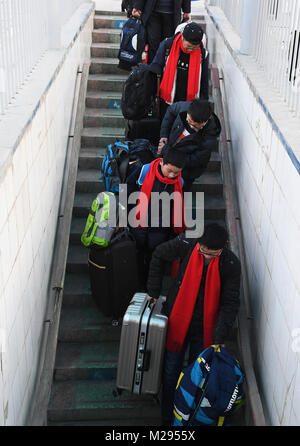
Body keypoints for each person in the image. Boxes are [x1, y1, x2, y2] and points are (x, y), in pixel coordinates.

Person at [146, 223, 241, 425]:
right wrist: (153, 291)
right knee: (171, 374)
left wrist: (219, 337)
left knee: (196, 380)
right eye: (203, 251)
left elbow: (230, 303)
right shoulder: (188, 243)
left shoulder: (230, 264)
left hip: (206, 329)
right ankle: (167, 420)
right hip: (178, 322)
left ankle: (187, 421)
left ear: (222, 249)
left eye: (212, 255)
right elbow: (159, 254)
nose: (206, 257)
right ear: (199, 243)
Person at [126, 148, 186, 289]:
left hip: (160, 226)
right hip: (138, 222)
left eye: (176, 172)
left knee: (155, 258)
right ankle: (137, 284)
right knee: (138, 255)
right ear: (161, 162)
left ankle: (149, 287)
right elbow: (126, 188)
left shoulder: (179, 182)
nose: (172, 175)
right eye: (169, 170)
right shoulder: (144, 171)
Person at [149, 21, 209, 120]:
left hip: (189, 104)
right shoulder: (167, 45)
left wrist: (204, 102)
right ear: (182, 37)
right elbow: (155, 67)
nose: (190, 50)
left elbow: (204, 79)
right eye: (188, 47)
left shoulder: (202, 54)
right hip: (167, 100)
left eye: (194, 48)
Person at [158, 99, 221, 191]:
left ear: (205, 122)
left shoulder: (210, 136)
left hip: (186, 171)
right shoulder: (184, 107)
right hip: (168, 161)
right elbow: (170, 111)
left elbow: (196, 159)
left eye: (195, 125)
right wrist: (164, 134)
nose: (191, 126)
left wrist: (166, 150)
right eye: (189, 121)